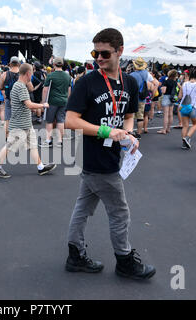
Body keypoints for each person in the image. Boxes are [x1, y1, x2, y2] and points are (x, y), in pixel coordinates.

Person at [64, 28, 155, 280]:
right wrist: (106, 131)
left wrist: (128, 135)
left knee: (83, 208)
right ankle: (124, 261)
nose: (99, 58)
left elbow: (127, 117)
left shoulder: (131, 83)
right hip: (98, 160)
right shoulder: (86, 82)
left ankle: (75, 255)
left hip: (111, 157)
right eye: (95, 53)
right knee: (120, 212)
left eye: (104, 53)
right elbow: (70, 120)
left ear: (120, 51)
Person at [0, 63, 56, 178]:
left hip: (24, 122)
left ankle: (40, 167)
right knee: (9, 146)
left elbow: (20, 104)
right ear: (28, 73)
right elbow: (29, 104)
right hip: (20, 124)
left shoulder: (18, 85)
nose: (31, 76)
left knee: (33, 145)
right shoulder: (20, 86)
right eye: (31, 74)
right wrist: (43, 105)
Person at [41, 57, 72, 148]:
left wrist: (43, 102)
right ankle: (59, 141)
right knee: (60, 120)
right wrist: (67, 99)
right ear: (62, 64)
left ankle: (48, 140)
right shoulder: (68, 76)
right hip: (63, 101)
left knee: (49, 121)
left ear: (54, 64)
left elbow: (45, 90)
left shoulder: (51, 75)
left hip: (52, 101)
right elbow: (69, 89)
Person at [130, 57, 157, 138]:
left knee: (130, 116)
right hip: (142, 97)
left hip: (133, 98)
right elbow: (155, 83)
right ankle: (139, 133)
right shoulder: (146, 73)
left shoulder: (132, 75)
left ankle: (130, 132)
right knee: (140, 116)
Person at [178, 69, 196, 149]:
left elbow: (180, 96)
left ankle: (184, 143)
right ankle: (187, 138)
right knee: (195, 124)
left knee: (185, 126)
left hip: (183, 106)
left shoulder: (184, 84)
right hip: (193, 107)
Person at [0, 56, 20, 136]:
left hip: (9, 98)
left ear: (10, 64)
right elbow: (30, 88)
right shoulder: (22, 74)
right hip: (20, 100)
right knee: (20, 119)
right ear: (19, 64)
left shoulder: (5, 74)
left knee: (8, 119)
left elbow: (0, 87)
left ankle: (8, 137)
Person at [158, 70, 179, 134]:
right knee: (170, 114)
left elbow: (163, 91)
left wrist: (161, 89)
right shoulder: (175, 82)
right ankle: (168, 128)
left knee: (166, 115)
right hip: (172, 98)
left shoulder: (166, 81)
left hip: (166, 97)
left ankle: (164, 129)